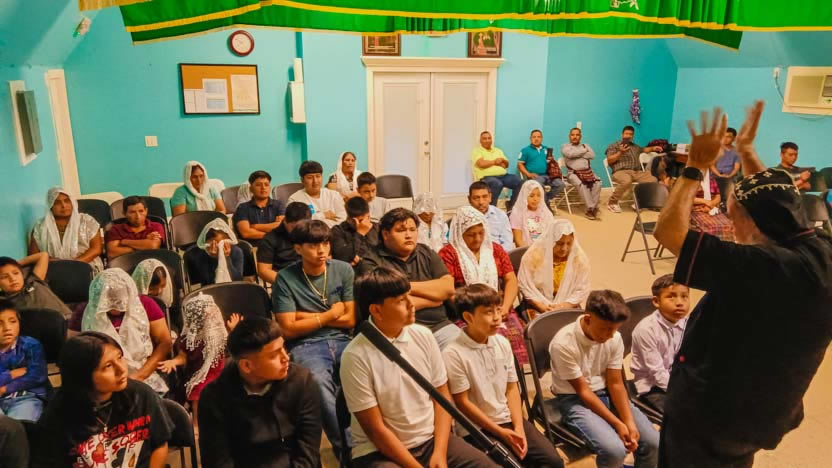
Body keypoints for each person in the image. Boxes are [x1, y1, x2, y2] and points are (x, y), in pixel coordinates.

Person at [653, 102, 832, 467]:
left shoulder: (762, 267)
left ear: (751, 222)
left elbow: (668, 232)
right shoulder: (820, 248)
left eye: (734, 220)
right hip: (764, 410)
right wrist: (747, 152)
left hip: (712, 416)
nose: (731, 229)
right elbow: (774, 199)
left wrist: (694, 167)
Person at [341, 267, 499, 467]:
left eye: (410, 296)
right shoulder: (355, 356)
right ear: (376, 311)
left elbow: (442, 398)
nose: (411, 304)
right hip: (381, 452)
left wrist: (439, 453)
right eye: (401, 300)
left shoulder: (423, 335)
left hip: (431, 441)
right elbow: (376, 430)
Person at [443, 284, 564, 467]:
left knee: (553, 461)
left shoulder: (501, 342)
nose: (496, 317)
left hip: (507, 418)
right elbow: (463, 403)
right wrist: (501, 433)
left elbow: (511, 388)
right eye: (488, 312)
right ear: (468, 317)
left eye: (498, 310)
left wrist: (519, 427)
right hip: (477, 428)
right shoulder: (453, 353)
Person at [272, 219, 355, 456]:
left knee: (371, 369)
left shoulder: (343, 270)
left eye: (325, 244)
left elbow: (350, 319)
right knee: (318, 383)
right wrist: (331, 313)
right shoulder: (285, 278)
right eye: (313, 245)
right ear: (298, 248)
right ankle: (348, 450)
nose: (321, 251)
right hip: (305, 345)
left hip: (343, 339)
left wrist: (303, 317)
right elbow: (287, 329)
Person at [550, 290, 659, 468]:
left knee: (653, 442)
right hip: (575, 399)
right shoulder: (563, 343)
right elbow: (583, 391)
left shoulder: (614, 338)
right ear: (588, 319)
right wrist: (618, 424)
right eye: (605, 329)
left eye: (614, 329)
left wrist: (629, 422)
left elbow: (616, 383)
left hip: (607, 392)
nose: (610, 335)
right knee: (614, 450)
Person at [31, 332, 173, 468]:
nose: (121, 369)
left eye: (119, 357)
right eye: (108, 366)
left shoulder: (140, 394)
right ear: (83, 375)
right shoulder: (58, 413)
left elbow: (160, 444)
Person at [199, 317, 322, 467]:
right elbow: (217, 460)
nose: (285, 357)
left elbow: (308, 453)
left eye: (283, 348)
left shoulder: (302, 382)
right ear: (247, 366)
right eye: (274, 355)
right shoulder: (214, 397)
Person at [359, 209, 457, 349]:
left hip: (440, 327)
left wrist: (401, 288)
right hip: (399, 333)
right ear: (385, 234)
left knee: (465, 351)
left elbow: (447, 288)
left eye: (412, 229)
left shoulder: (426, 252)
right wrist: (434, 299)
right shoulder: (371, 261)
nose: (408, 235)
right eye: (401, 230)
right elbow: (389, 306)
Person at [439, 206, 526, 364]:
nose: (477, 239)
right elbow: (449, 291)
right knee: (478, 342)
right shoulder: (448, 254)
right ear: (460, 233)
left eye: (481, 233)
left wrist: (505, 307)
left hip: (499, 307)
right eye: (471, 235)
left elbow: (511, 280)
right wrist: (476, 313)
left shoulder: (495, 249)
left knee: (513, 336)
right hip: (466, 312)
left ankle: (511, 374)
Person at [79, 269, 171, 394]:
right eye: (111, 302)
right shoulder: (85, 312)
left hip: (143, 370)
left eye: (120, 302)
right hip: (104, 377)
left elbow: (164, 342)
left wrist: (140, 375)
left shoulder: (145, 304)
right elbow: (76, 352)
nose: (117, 309)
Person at [157, 293, 233, 430]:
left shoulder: (219, 334)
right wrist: (173, 362)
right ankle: (196, 424)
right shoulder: (188, 339)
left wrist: (233, 329)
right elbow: (183, 357)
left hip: (219, 370)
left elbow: (232, 346)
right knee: (198, 391)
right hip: (199, 373)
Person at [629, 275, 689, 414]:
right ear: (656, 301)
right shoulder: (646, 330)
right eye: (671, 297)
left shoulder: (688, 322)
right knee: (687, 415)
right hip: (652, 386)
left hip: (678, 379)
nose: (679, 302)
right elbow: (657, 373)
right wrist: (683, 392)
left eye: (684, 296)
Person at [518, 219, 591, 319]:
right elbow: (525, 285)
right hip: (536, 304)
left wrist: (564, 306)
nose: (564, 248)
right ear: (550, 241)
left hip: (567, 305)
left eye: (569, 243)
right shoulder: (533, 257)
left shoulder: (579, 260)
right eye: (560, 243)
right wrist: (542, 306)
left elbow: (582, 289)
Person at [29, 187, 103, 273]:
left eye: (67, 201)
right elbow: (34, 255)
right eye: (57, 203)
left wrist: (73, 264)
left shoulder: (87, 221)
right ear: (50, 205)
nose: (63, 206)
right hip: (53, 267)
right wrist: (59, 264)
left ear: (72, 202)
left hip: (86, 264)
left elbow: (96, 249)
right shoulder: (40, 226)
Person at [0, 301, 48, 422]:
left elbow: (37, 376)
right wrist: (12, 374)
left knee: (19, 428)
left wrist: (4, 389)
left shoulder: (31, 345)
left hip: (26, 397)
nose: (7, 328)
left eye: (12, 321)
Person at [605, 126, 663, 213]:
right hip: (620, 172)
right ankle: (612, 202)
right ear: (622, 134)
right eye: (626, 134)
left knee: (653, 179)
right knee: (626, 180)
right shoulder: (614, 146)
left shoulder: (635, 147)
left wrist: (653, 148)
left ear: (633, 136)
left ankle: (639, 202)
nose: (628, 136)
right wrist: (620, 152)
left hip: (636, 172)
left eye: (631, 134)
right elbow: (609, 160)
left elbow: (644, 149)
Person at [0, 253, 72, 318]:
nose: (12, 279)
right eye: (4, 277)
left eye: (16, 273)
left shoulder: (33, 280)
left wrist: (15, 264)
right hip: (48, 326)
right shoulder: (4, 303)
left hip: (69, 318)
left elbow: (43, 255)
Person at [256, 201, 311, 284]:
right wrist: (289, 283)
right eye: (294, 228)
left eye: (302, 228)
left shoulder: (310, 233)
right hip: (285, 280)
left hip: (311, 276)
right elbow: (263, 271)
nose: (299, 231)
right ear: (285, 221)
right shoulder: (270, 239)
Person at [233, 170, 286, 247]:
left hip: (277, 246)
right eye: (258, 185)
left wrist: (255, 226)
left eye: (266, 184)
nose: (263, 188)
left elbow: (283, 227)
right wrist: (271, 234)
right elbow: (246, 233)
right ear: (251, 189)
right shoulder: (242, 208)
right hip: (254, 247)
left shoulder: (278, 205)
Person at [472, 131, 522, 208]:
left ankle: (511, 205)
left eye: (489, 138)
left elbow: (506, 165)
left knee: (519, 181)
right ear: (480, 141)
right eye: (484, 138)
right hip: (486, 177)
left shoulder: (498, 150)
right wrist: (495, 162)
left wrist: (502, 160)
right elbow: (481, 164)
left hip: (503, 176)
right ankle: (491, 208)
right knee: (497, 183)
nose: (487, 140)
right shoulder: (477, 151)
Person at [289, 161, 347, 227]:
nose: (315, 181)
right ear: (302, 180)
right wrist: (323, 215)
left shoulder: (334, 195)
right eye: (310, 178)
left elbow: (343, 218)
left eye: (318, 176)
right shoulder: (295, 200)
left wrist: (314, 219)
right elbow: (297, 223)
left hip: (335, 232)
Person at [186, 219, 244, 285]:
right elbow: (209, 281)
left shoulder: (236, 252)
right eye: (214, 245)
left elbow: (237, 279)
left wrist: (226, 258)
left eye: (222, 244)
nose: (219, 248)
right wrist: (214, 258)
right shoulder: (199, 254)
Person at [561, 128, 602, 220]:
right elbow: (570, 154)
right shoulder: (565, 146)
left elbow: (592, 155)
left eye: (577, 135)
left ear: (580, 136)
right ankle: (591, 209)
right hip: (573, 173)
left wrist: (577, 154)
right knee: (583, 185)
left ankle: (593, 208)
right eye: (573, 135)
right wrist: (584, 151)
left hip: (588, 172)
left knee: (598, 183)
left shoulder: (585, 145)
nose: (575, 137)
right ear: (569, 136)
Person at [331, 196, 380, 269]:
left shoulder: (378, 228)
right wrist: (360, 233)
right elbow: (341, 259)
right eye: (355, 221)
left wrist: (362, 262)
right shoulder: (338, 231)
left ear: (368, 216)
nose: (359, 224)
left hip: (377, 270)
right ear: (348, 218)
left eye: (361, 220)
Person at [517, 129, 564, 206]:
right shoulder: (525, 150)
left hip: (549, 175)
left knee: (560, 185)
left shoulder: (546, 149)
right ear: (530, 138)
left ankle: (545, 200)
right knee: (539, 185)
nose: (536, 139)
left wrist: (551, 160)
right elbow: (519, 165)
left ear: (542, 138)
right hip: (536, 176)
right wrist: (528, 174)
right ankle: (545, 204)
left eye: (538, 137)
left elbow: (551, 163)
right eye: (534, 137)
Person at [468, 181, 515, 251]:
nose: (481, 202)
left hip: (498, 255)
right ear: (469, 199)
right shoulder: (463, 217)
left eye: (484, 197)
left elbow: (508, 244)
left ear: (490, 197)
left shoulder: (500, 215)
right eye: (476, 198)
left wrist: (498, 255)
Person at [689, 169, 735, 241]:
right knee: (711, 227)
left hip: (711, 208)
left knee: (729, 226)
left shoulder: (710, 179)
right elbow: (687, 198)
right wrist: (705, 202)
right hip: (696, 209)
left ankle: (724, 247)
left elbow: (718, 196)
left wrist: (711, 204)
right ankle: (709, 246)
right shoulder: (689, 180)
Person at [509, 180, 554, 248]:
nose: (535, 199)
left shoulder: (546, 212)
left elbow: (551, 235)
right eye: (531, 196)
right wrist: (531, 252)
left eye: (538, 195)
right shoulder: (517, 213)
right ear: (524, 196)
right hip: (525, 250)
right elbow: (519, 241)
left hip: (544, 249)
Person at [710, 127, 741, 204]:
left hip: (730, 177)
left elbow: (736, 167)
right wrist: (718, 174)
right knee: (712, 190)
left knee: (729, 191)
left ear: (734, 138)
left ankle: (725, 204)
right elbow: (711, 165)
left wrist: (729, 175)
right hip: (715, 175)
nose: (725, 139)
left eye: (728, 137)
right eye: (723, 136)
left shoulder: (737, 151)